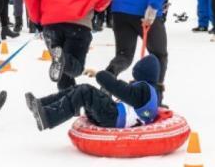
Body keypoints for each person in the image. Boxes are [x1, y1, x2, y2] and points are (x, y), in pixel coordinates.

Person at [26, 56, 160, 131]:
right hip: (112, 116)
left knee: (85, 91)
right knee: (79, 89)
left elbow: (118, 87)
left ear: (142, 73)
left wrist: (99, 74)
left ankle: (48, 118)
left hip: (112, 117)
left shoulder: (144, 91)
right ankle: (41, 104)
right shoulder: (150, 92)